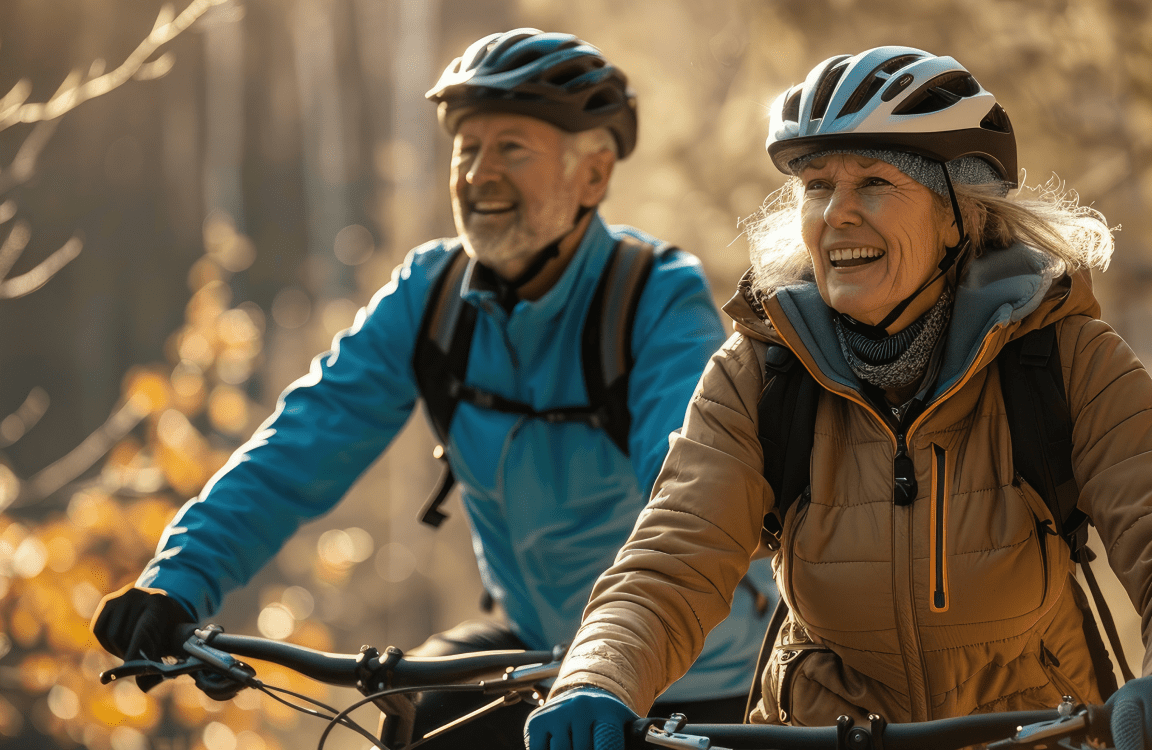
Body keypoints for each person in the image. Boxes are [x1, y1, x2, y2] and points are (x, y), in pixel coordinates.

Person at [524, 46, 1152, 750]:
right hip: (820, 734)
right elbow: (670, 564)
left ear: (958, 214)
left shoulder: (1063, 356)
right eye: (817, 187)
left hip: (1029, 731)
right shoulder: (762, 370)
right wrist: (597, 678)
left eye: (874, 182)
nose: (837, 214)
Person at [91, 29, 775, 749]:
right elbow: (300, 444)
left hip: (692, 666)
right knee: (413, 721)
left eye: (511, 148)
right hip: (535, 646)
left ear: (593, 175)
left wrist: (612, 658)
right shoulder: (431, 295)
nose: (478, 173)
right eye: (466, 148)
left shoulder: (653, 296)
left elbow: (689, 490)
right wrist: (178, 579)